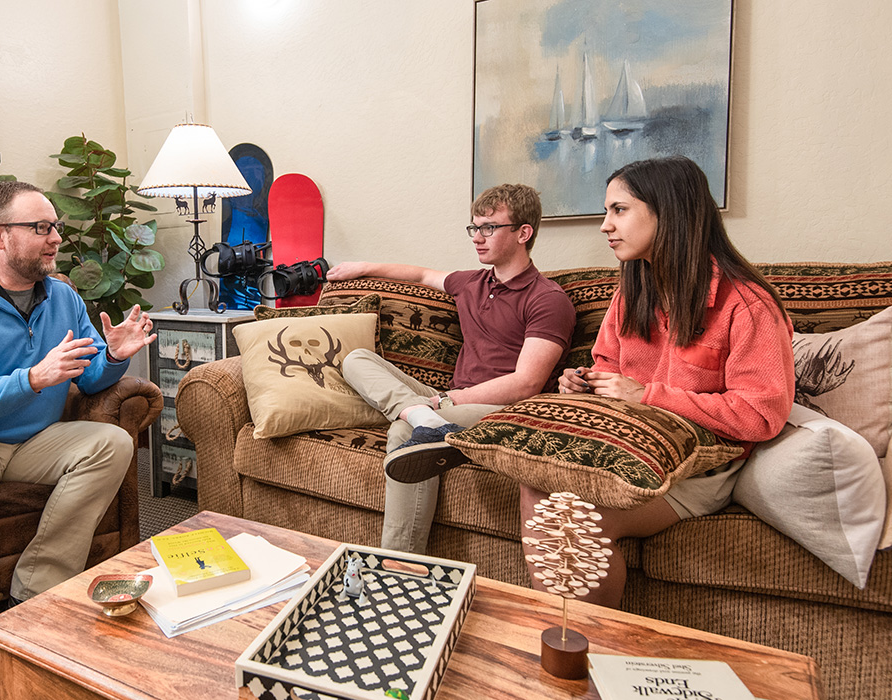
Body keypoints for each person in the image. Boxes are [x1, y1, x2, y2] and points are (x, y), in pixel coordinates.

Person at [0, 180, 156, 700]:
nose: (56, 237)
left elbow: (86, 379)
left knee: (112, 444)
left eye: (55, 225)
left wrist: (116, 355)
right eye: (41, 228)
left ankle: (34, 594)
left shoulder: (62, 296)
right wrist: (33, 379)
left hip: (28, 441)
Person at [542, 155, 795, 608]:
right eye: (607, 211)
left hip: (695, 466)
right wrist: (584, 383)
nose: (605, 225)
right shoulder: (631, 291)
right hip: (626, 445)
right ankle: (559, 640)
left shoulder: (748, 305)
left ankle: (590, 652)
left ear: (669, 212)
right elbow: (607, 365)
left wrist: (646, 395)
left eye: (619, 210)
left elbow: (761, 415)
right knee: (538, 482)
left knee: (574, 513)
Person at [326, 184, 576, 555]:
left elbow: (526, 384)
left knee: (401, 431)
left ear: (523, 233)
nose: (477, 237)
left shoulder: (548, 299)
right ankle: (421, 415)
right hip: (447, 404)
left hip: (502, 409)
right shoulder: (471, 282)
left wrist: (448, 398)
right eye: (473, 228)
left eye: (489, 228)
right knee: (355, 359)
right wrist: (362, 266)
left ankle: (399, 564)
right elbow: (420, 274)